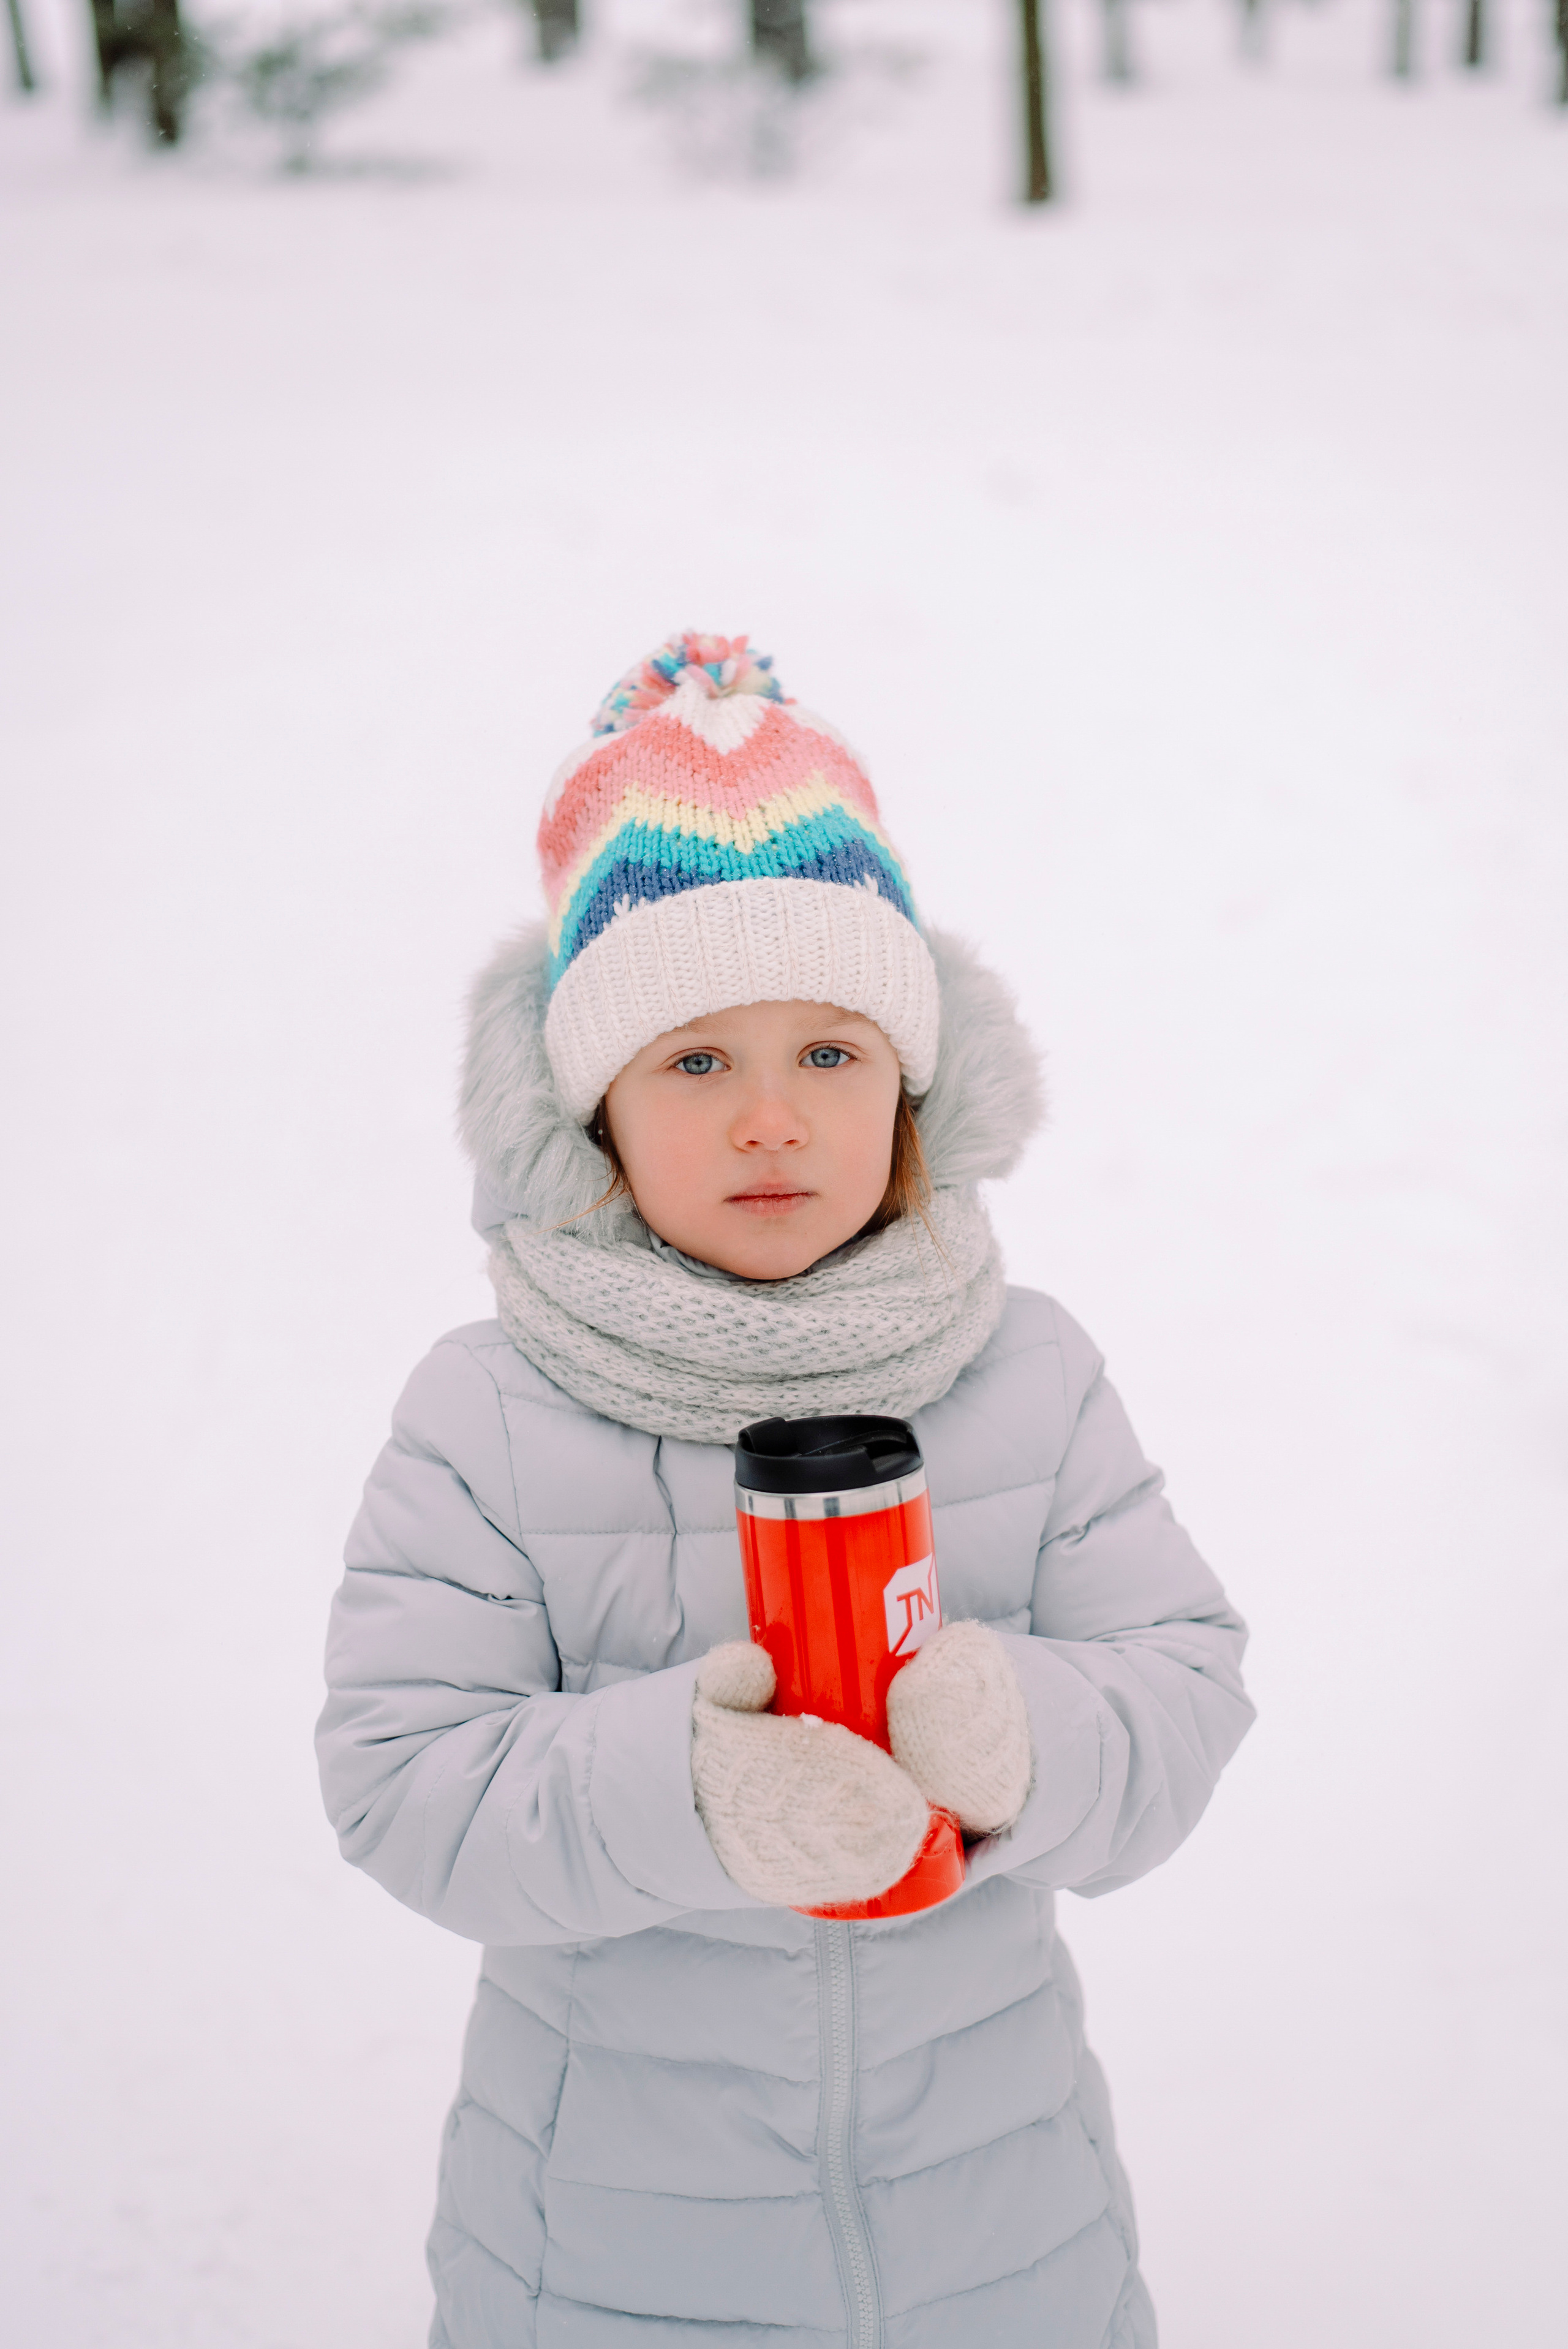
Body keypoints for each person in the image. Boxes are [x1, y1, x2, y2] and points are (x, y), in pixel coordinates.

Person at [316, 632, 1255, 2349]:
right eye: (694, 1061)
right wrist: (690, 1791)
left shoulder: (1025, 1369)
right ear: (592, 1110)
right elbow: (405, 1778)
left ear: (915, 1081)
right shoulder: (494, 1410)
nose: (770, 1120)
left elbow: (1183, 1687)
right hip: (609, 2261)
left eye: (829, 1052)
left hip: (1001, 2240)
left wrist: (1028, 1733)